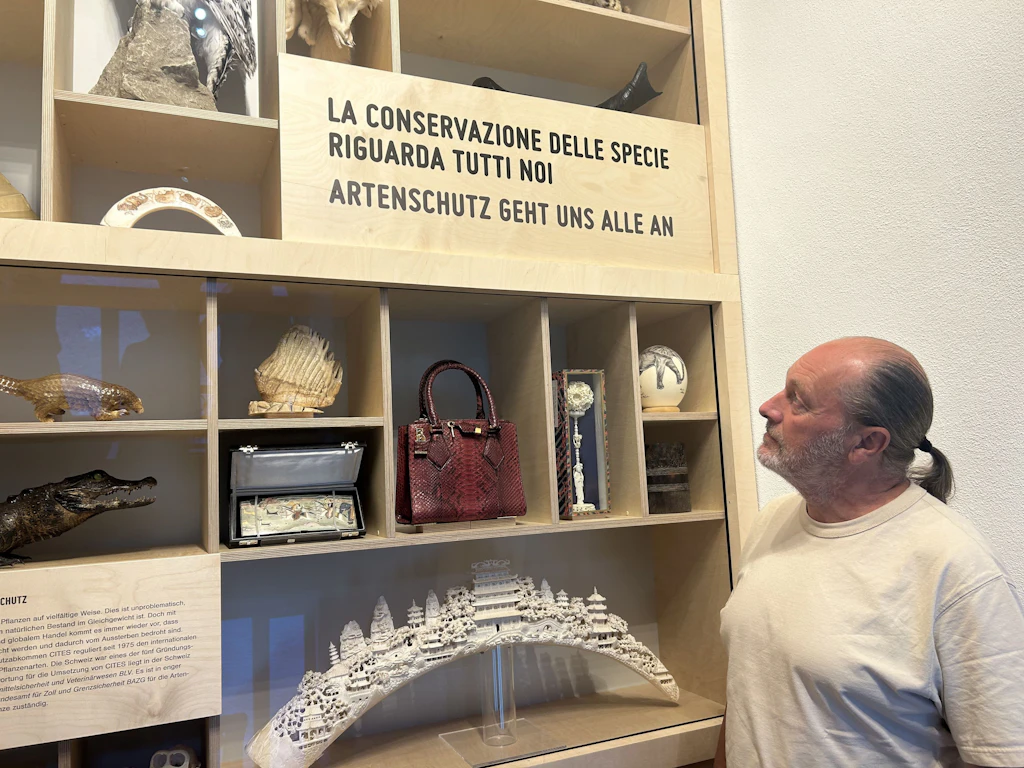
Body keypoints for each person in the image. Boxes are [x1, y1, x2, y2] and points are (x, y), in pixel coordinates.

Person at [715, 337, 1024, 768]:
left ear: (866, 443)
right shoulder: (775, 520)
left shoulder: (958, 568)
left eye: (797, 401)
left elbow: (1001, 755)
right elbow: (751, 692)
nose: (769, 407)